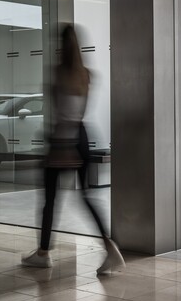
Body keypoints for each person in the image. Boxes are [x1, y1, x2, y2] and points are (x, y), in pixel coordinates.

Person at [22, 24, 125, 274]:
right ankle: (110, 249)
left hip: (61, 140)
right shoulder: (87, 75)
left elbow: (57, 113)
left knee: (49, 200)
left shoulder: (57, 73)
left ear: (61, 46)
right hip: (81, 137)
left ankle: (44, 253)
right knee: (87, 197)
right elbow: (78, 112)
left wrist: (55, 142)